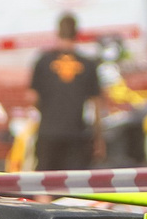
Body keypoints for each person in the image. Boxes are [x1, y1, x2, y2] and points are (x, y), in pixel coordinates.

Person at [29, 13, 105, 172]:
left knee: (44, 183)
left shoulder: (43, 61)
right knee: (76, 185)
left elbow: (32, 98)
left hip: (48, 132)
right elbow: (96, 105)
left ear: (57, 32)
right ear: (77, 33)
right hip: (76, 133)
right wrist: (98, 139)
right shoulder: (88, 64)